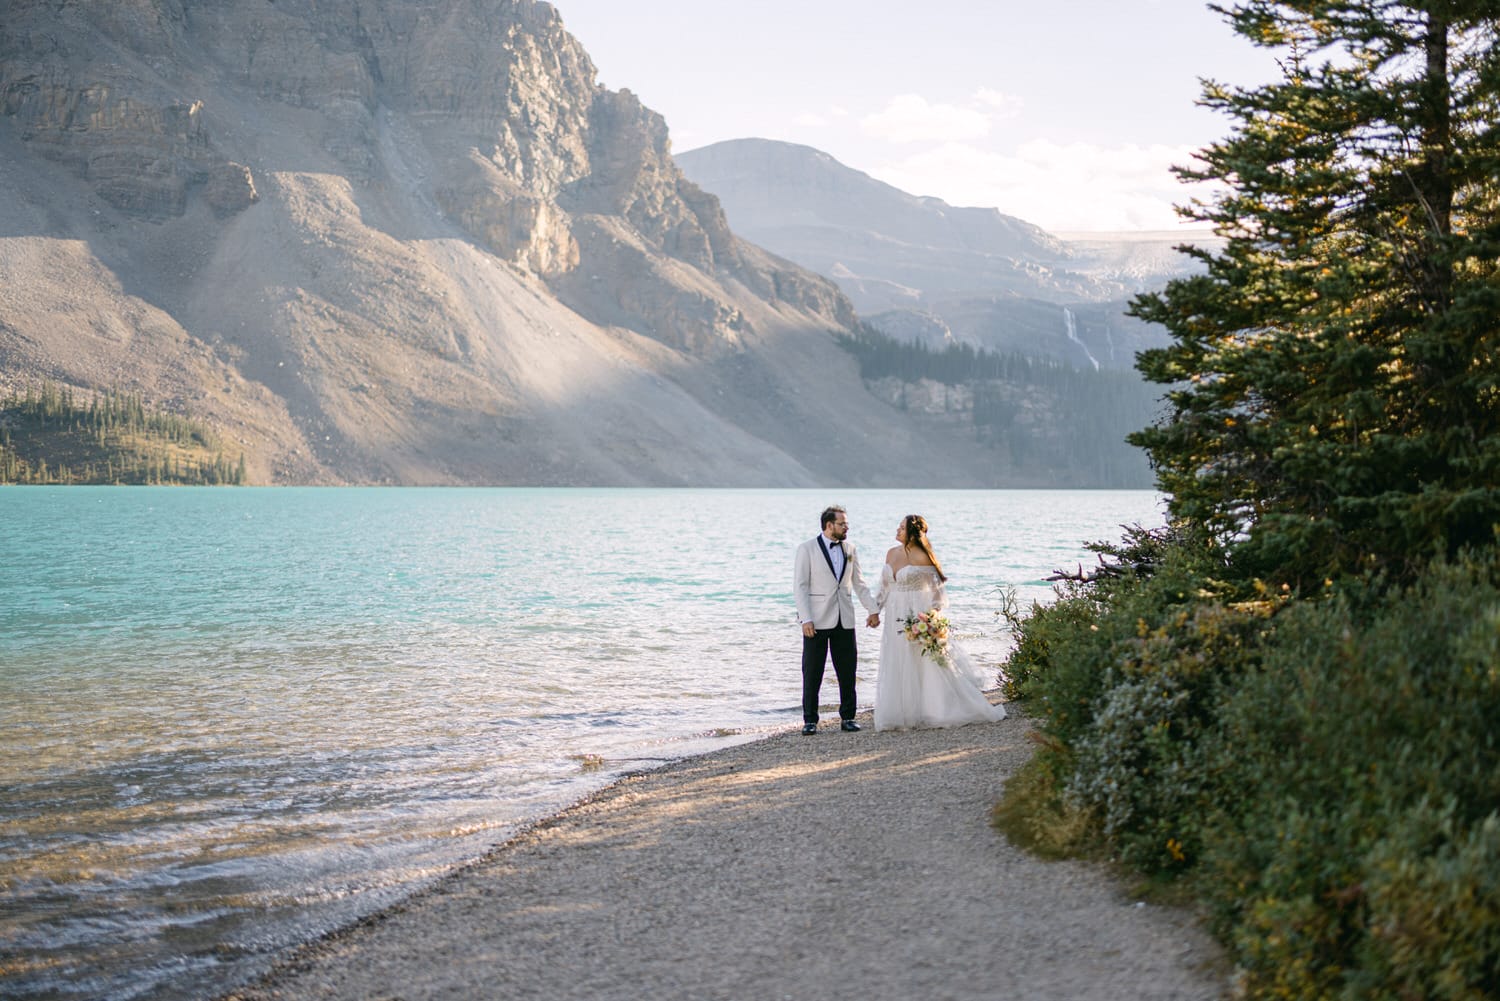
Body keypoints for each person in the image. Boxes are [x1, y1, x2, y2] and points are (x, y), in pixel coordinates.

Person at [872, 514, 1005, 731]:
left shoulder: (923, 557)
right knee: (897, 659)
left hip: (916, 616)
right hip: (893, 615)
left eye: (902, 528)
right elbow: (885, 587)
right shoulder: (891, 553)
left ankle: (932, 709)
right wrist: (874, 610)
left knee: (923, 662)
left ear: (913, 534)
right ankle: (900, 711)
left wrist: (929, 619)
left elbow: (938, 596)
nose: (897, 530)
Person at [792, 505, 881, 734]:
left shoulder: (850, 548)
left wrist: (872, 610)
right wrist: (805, 619)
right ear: (829, 525)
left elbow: (859, 583)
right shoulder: (807, 549)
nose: (846, 527)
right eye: (842, 524)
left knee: (848, 671)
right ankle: (810, 720)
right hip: (816, 621)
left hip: (845, 618)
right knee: (812, 672)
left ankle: (848, 717)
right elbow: (800, 587)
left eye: (847, 524)